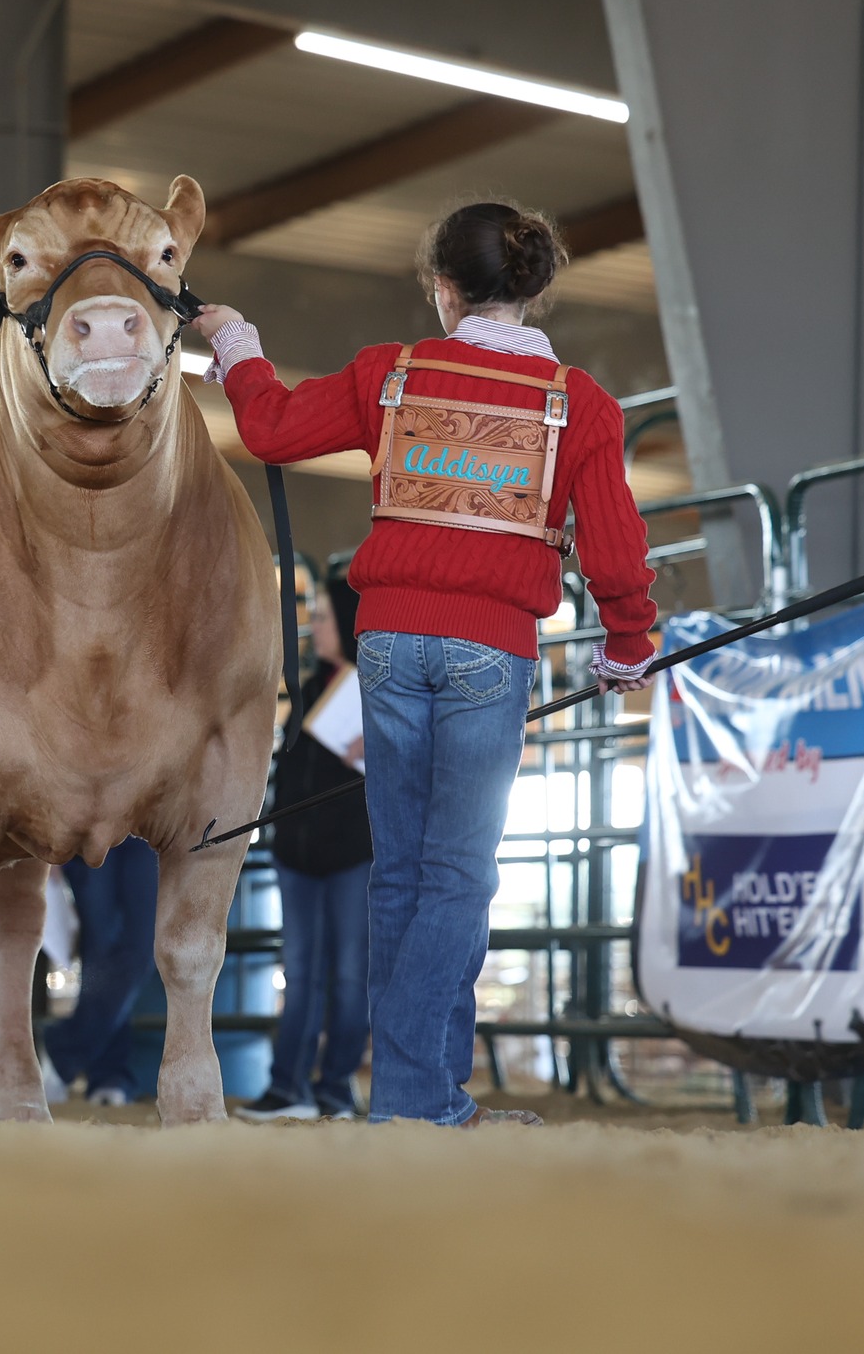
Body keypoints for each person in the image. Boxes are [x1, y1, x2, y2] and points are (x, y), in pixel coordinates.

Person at [194, 202, 657, 1128]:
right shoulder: (580, 404)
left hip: (390, 646)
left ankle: (434, 1094)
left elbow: (275, 430)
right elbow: (613, 546)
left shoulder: (394, 373)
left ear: (444, 289)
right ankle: (412, 1098)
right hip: (492, 650)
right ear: (534, 289)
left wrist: (237, 343)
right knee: (460, 878)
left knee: (401, 876)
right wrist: (628, 645)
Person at [238, 562, 373, 1122]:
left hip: (352, 855)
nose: (314, 627)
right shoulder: (311, 689)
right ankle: (288, 1087)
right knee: (301, 976)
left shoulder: (380, 689)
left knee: (347, 976)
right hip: (299, 856)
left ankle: (335, 1088)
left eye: (321, 617)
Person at [41, 837, 157, 1107]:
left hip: (147, 827)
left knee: (141, 951)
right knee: (99, 955)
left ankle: (63, 1050)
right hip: (89, 828)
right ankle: (109, 1075)